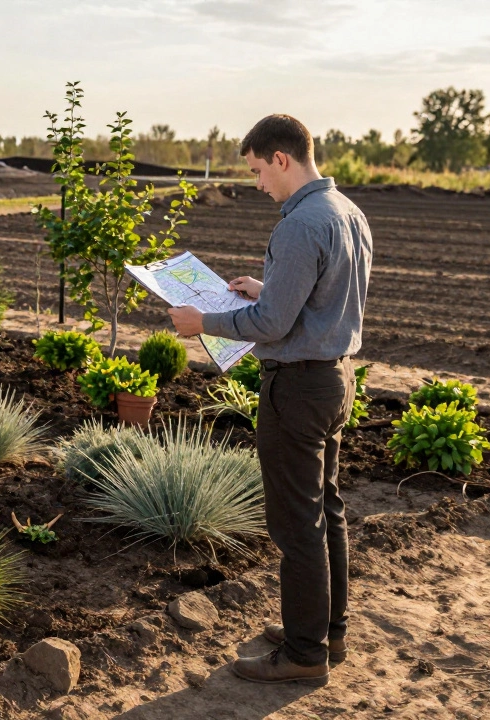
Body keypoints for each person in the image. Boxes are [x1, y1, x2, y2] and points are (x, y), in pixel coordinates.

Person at [167, 114, 372, 686]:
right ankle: (328, 632)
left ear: (281, 159)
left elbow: (272, 325)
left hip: (297, 387)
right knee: (327, 510)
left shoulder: (299, 225)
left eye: (258, 170)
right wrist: (266, 289)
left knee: (296, 524)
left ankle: (305, 655)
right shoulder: (347, 212)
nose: (257, 183)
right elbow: (323, 298)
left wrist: (201, 322)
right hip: (336, 379)